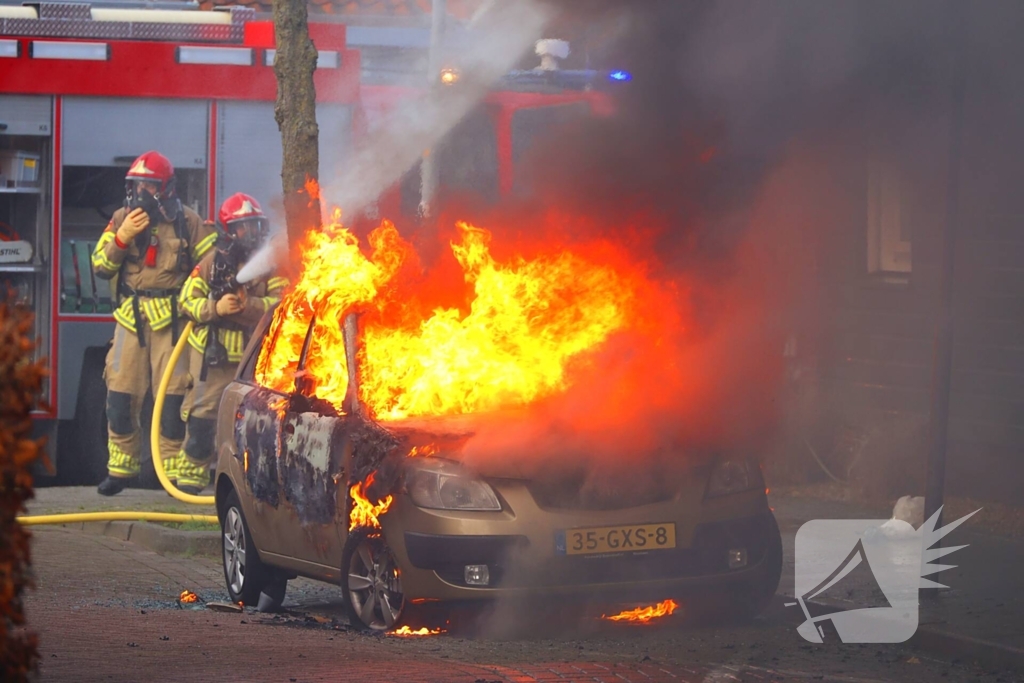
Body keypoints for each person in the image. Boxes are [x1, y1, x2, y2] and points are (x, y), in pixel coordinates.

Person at [91, 151, 216, 496]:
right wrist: (122, 238)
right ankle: (120, 470)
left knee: (173, 403)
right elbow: (101, 267)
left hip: (173, 322)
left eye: (149, 185)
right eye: (137, 184)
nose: (141, 192)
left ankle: (172, 475)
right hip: (130, 320)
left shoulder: (188, 222)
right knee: (119, 396)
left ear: (167, 188)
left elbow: (214, 268)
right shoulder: (120, 218)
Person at [174, 193, 288, 493]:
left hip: (254, 363)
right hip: (213, 362)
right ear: (228, 231)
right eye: (242, 227)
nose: (249, 233)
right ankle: (190, 481)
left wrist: (248, 305)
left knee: (255, 423)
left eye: (254, 225)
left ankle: (249, 486)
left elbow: (281, 304)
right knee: (202, 416)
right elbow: (186, 301)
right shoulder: (211, 264)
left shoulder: (271, 265)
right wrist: (216, 309)